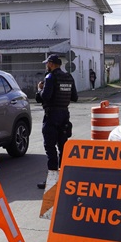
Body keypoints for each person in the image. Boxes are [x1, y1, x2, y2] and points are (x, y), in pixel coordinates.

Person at [36, 54, 78, 189]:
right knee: (63, 148)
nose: (46, 66)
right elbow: (75, 97)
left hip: (52, 116)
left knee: (50, 148)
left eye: (47, 64)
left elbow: (45, 97)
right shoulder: (69, 77)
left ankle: (53, 180)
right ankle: (65, 178)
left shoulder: (50, 77)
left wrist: (40, 90)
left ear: (51, 64)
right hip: (64, 116)